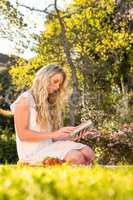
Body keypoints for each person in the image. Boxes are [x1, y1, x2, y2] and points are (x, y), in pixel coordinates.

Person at [10, 64, 95, 165]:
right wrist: (54, 134)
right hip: (32, 153)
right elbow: (22, 135)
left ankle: (81, 179)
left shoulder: (48, 102)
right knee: (76, 157)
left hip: (49, 147)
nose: (57, 87)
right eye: (55, 81)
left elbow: (51, 137)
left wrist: (70, 136)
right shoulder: (25, 100)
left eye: (59, 84)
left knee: (88, 153)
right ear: (44, 78)